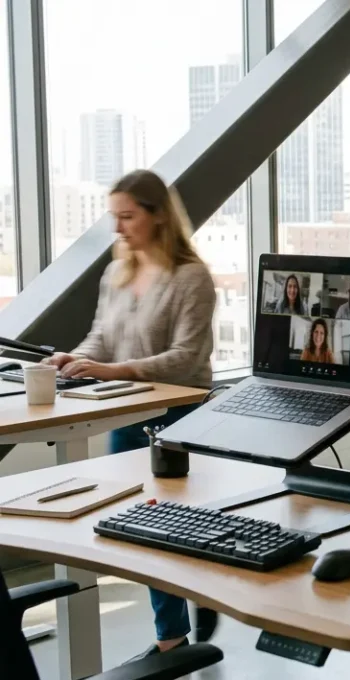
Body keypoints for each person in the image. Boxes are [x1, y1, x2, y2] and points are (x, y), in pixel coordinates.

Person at [43, 169, 219, 662]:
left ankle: (184, 618)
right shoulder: (117, 274)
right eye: (114, 217)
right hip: (127, 413)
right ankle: (175, 632)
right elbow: (101, 338)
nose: (117, 228)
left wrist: (114, 369)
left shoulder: (191, 277)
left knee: (174, 523)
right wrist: (75, 359)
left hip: (179, 415)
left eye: (127, 216)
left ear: (158, 215)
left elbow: (185, 358)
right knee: (141, 527)